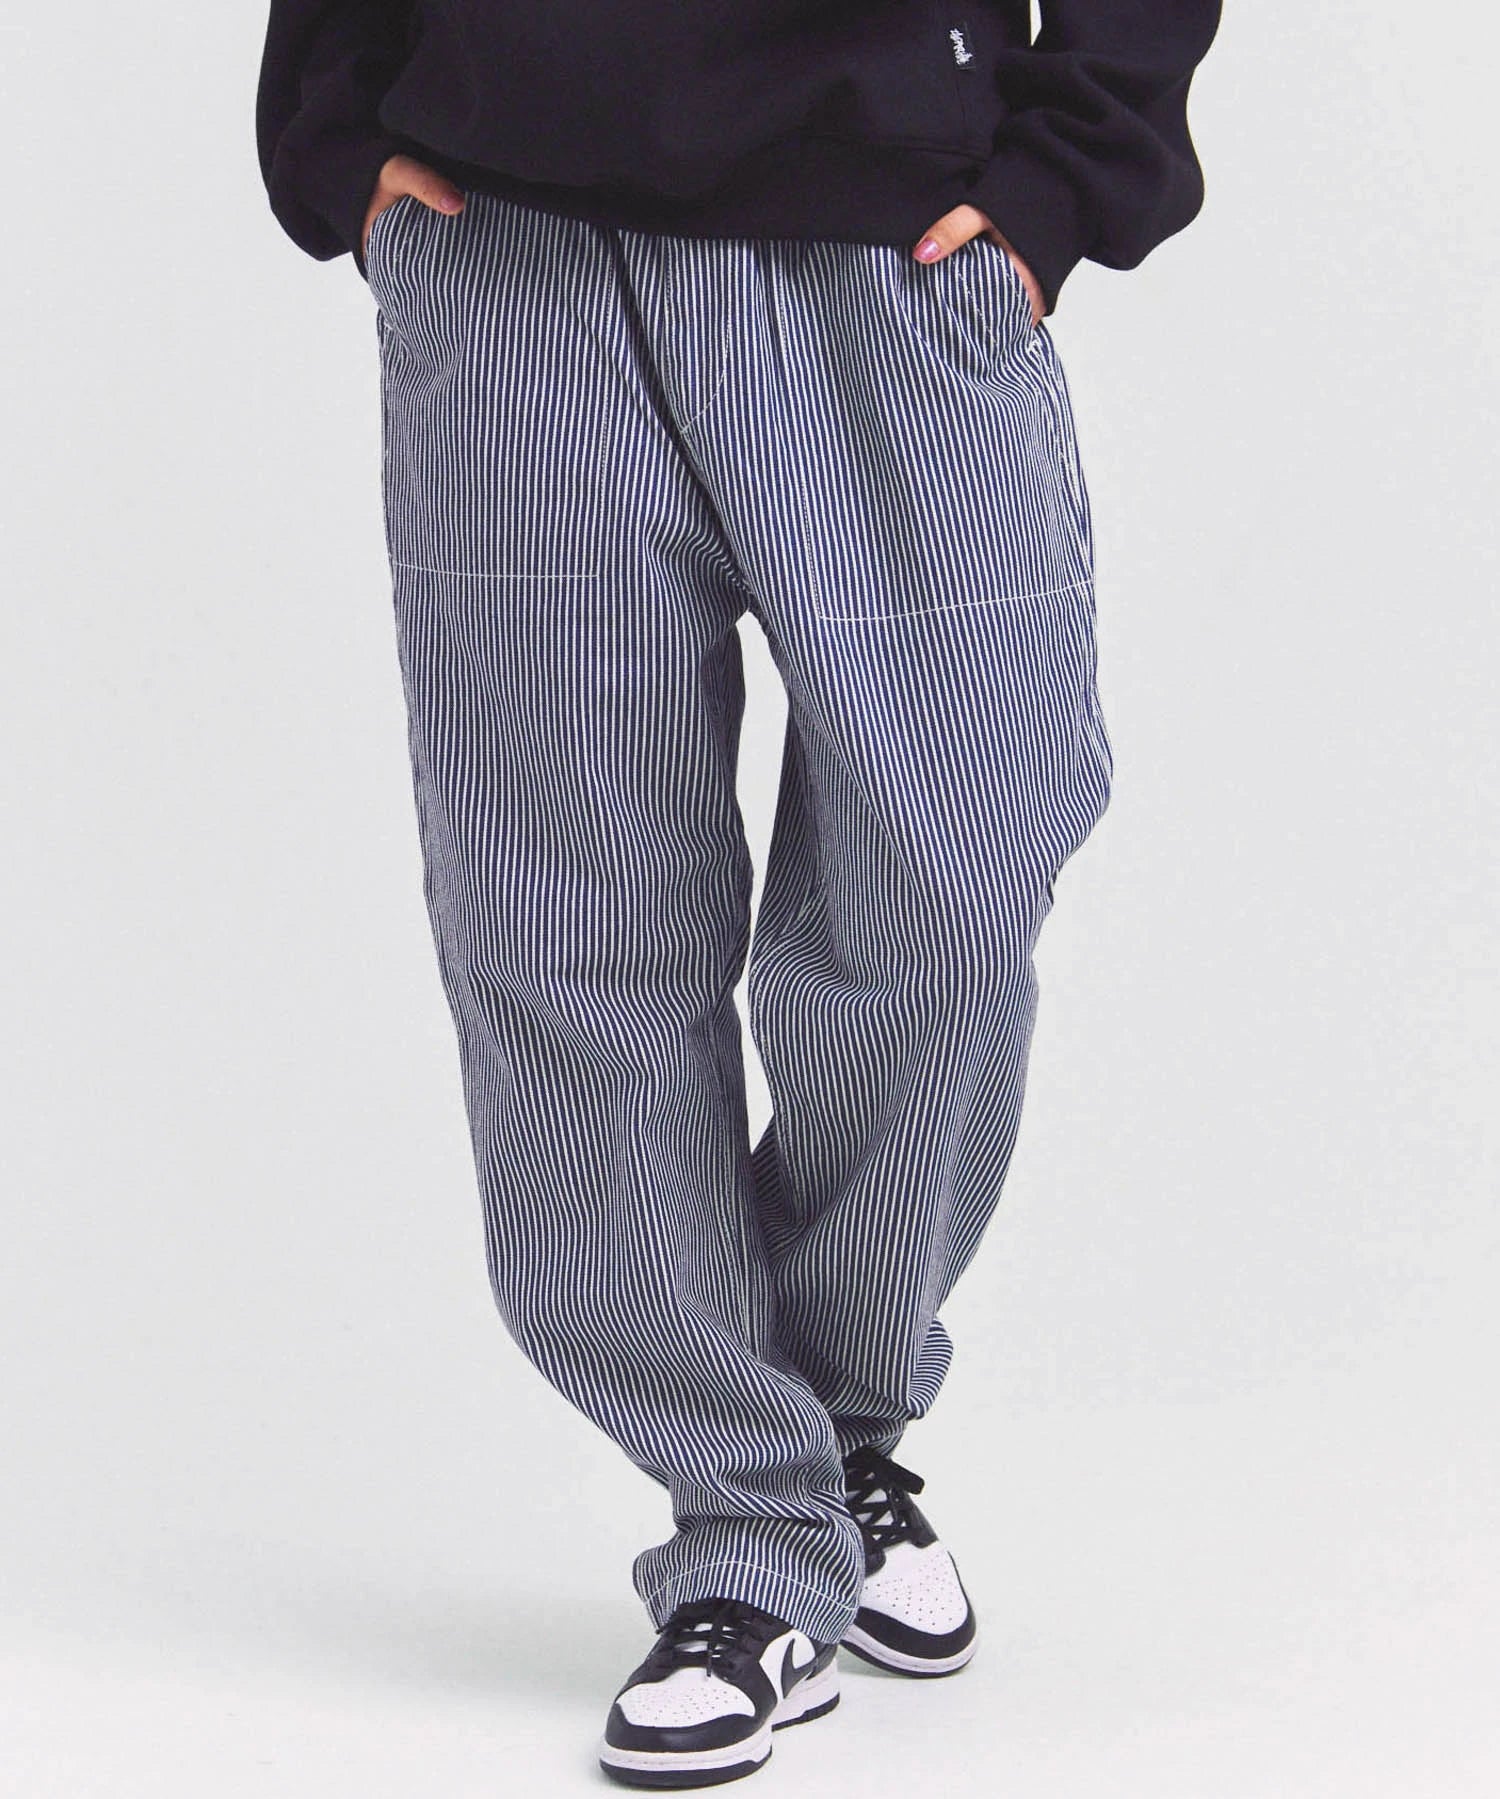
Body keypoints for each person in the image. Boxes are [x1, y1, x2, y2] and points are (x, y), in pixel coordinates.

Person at [256, 2, 1221, 1786]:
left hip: (894, 251)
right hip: (510, 249)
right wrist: (331, 119)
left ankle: (832, 1424)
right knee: (568, 932)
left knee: (959, 873)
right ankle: (750, 1528)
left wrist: (1071, 168)